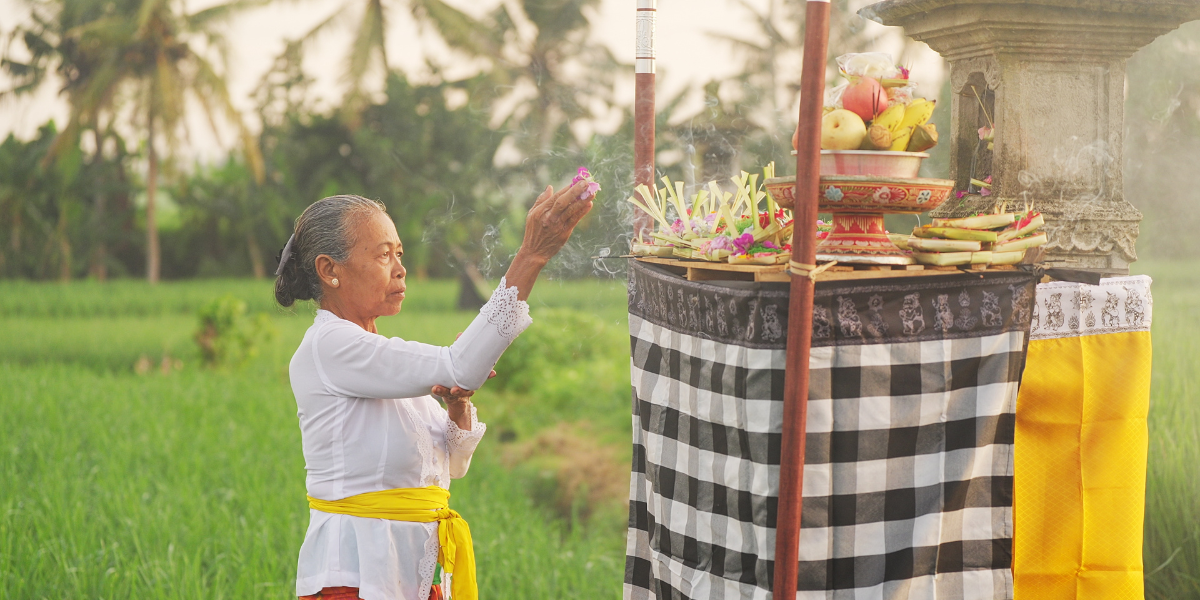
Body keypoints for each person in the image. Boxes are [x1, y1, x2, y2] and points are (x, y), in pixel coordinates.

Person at [273, 181, 594, 600]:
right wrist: (531, 255)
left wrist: (456, 406)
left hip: (417, 569)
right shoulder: (330, 347)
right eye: (383, 255)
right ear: (329, 270)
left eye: (399, 254)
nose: (400, 269)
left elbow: (452, 467)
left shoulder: (378, 359)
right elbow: (462, 363)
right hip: (357, 574)